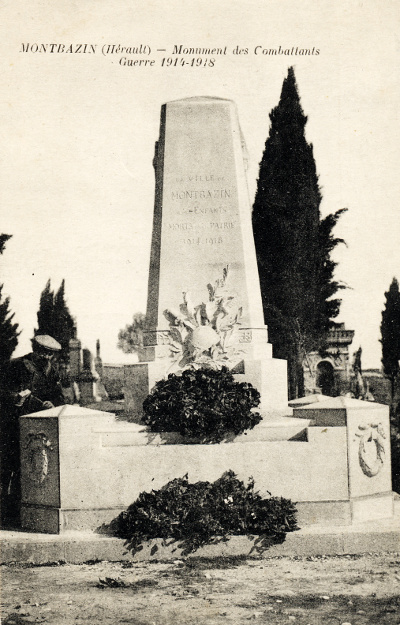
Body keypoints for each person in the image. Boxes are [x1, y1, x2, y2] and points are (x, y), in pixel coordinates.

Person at [0, 334, 64, 527]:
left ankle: (24, 510)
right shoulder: (16, 366)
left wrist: (53, 403)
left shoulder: (52, 372)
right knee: (8, 468)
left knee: (29, 467)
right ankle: (5, 512)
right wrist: (17, 398)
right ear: (34, 350)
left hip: (38, 426)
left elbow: (59, 398)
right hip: (12, 424)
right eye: (43, 353)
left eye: (50, 354)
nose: (46, 357)